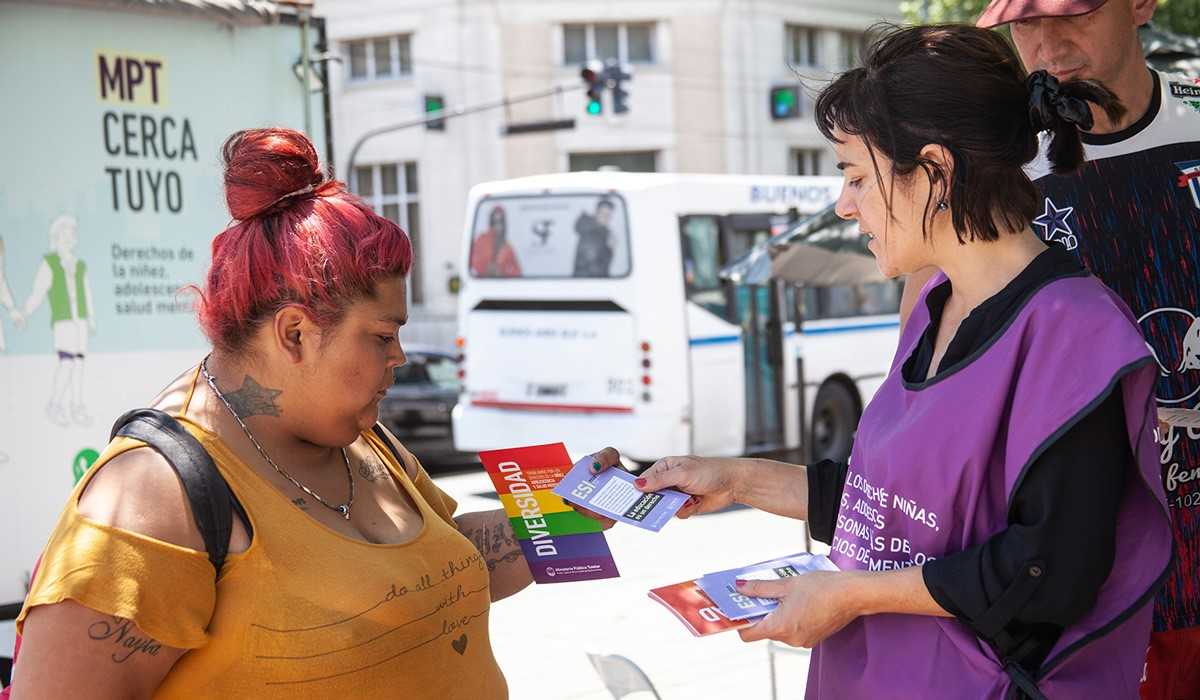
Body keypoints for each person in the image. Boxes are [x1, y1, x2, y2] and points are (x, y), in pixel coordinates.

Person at [600, 25, 1172, 698]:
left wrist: (850, 596)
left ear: (934, 170)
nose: (845, 205)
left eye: (855, 178)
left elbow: (1045, 572)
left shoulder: (1076, 335)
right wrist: (735, 479)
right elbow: (898, 510)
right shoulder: (933, 302)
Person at [5, 128, 615, 699]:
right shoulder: (152, 500)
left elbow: (443, 565)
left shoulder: (362, 436)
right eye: (382, 336)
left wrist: (570, 513)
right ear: (295, 333)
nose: (401, 357)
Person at [899, 3, 1200, 696]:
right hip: (1071, 591)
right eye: (1023, 20)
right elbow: (922, 396)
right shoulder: (980, 162)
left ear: (1142, 4)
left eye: (1074, 10)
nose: (1047, 42)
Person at [21, 215, 95, 427]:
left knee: (79, 364)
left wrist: (90, 318)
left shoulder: (79, 264)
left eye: (73, 232)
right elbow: (39, 291)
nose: (71, 236)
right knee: (67, 363)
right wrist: (25, 312)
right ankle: (55, 404)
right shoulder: (50, 263)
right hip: (63, 321)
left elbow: (87, 292)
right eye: (67, 232)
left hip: (79, 321)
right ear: (57, 235)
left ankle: (77, 406)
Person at [469, 205, 521, 277]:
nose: (498, 226)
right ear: (491, 223)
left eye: (500, 222)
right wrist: (485, 269)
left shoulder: (509, 249)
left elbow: (517, 274)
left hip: (501, 286)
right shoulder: (481, 240)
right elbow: (472, 261)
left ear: (504, 224)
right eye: (494, 222)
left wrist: (502, 273)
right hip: (481, 284)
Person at [573, 198, 615, 277]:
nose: (606, 218)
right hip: (589, 283)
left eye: (609, 215)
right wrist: (610, 250)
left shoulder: (603, 233)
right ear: (596, 213)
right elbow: (594, 268)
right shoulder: (591, 232)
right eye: (603, 214)